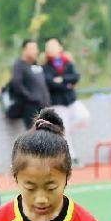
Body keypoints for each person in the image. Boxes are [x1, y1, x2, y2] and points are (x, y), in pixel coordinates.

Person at [41, 38, 85, 166]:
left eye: (54, 45)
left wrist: (62, 79)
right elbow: (50, 83)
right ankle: (72, 158)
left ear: (60, 47)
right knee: (64, 130)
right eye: (48, 46)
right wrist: (67, 85)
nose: (51, 48)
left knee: (84, 116)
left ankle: (60, 132)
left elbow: (75, 76)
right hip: (58, 102)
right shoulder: (45, 66)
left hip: (71, 100)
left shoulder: (67, 62)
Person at [9, 40, 50, 130]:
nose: (35, 51)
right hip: (31, 108)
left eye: (36, 48)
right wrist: (31, 97)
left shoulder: (36, 64)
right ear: (24, 50)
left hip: (44, 107)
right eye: (32, 48)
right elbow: (16, 84)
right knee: (34, 134)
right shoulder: (19, 65)